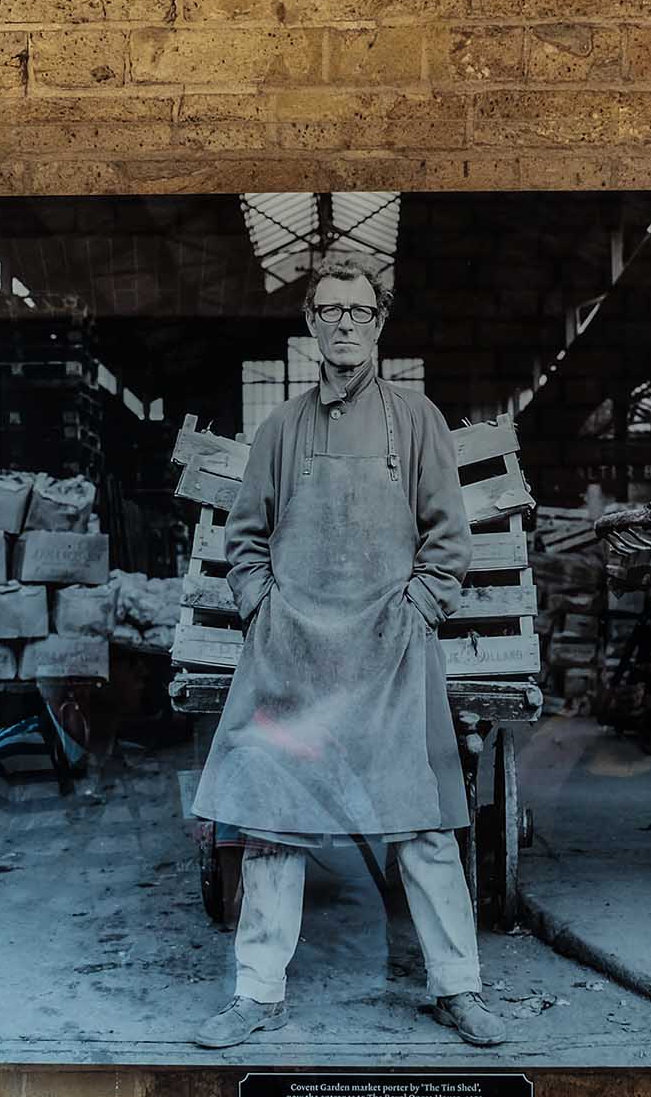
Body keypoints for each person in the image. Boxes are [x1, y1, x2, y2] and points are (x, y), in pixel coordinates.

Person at [189, 252, 506, 1049]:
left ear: (379, 322)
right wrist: (265, 611)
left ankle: (458, 989)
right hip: (294, 658)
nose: (344, 325)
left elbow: (448, 537)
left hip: (392, 657)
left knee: (426, 824)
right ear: (310, 324)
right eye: (328, 311)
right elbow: (245, 540)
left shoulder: (417, 420)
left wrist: (418, 612)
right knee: (270, 824)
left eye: (358, 311)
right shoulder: (280, 430)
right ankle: (257, 996)